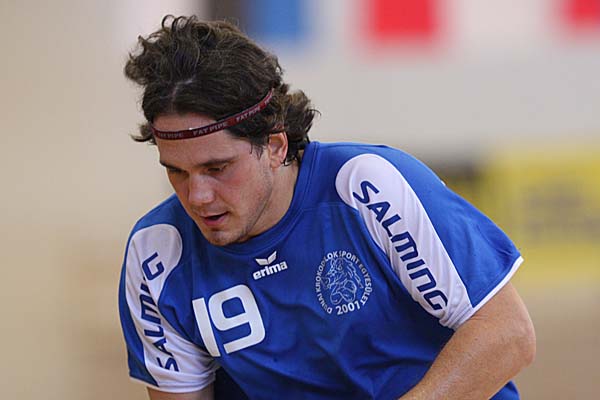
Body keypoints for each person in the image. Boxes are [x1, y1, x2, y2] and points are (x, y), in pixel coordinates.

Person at [118, 15, 536, 400]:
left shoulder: (367, 187)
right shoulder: (158, 252)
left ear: (275, 146)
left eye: (217, 168)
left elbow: (507, 333)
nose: (197, 196)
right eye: (177, 172)